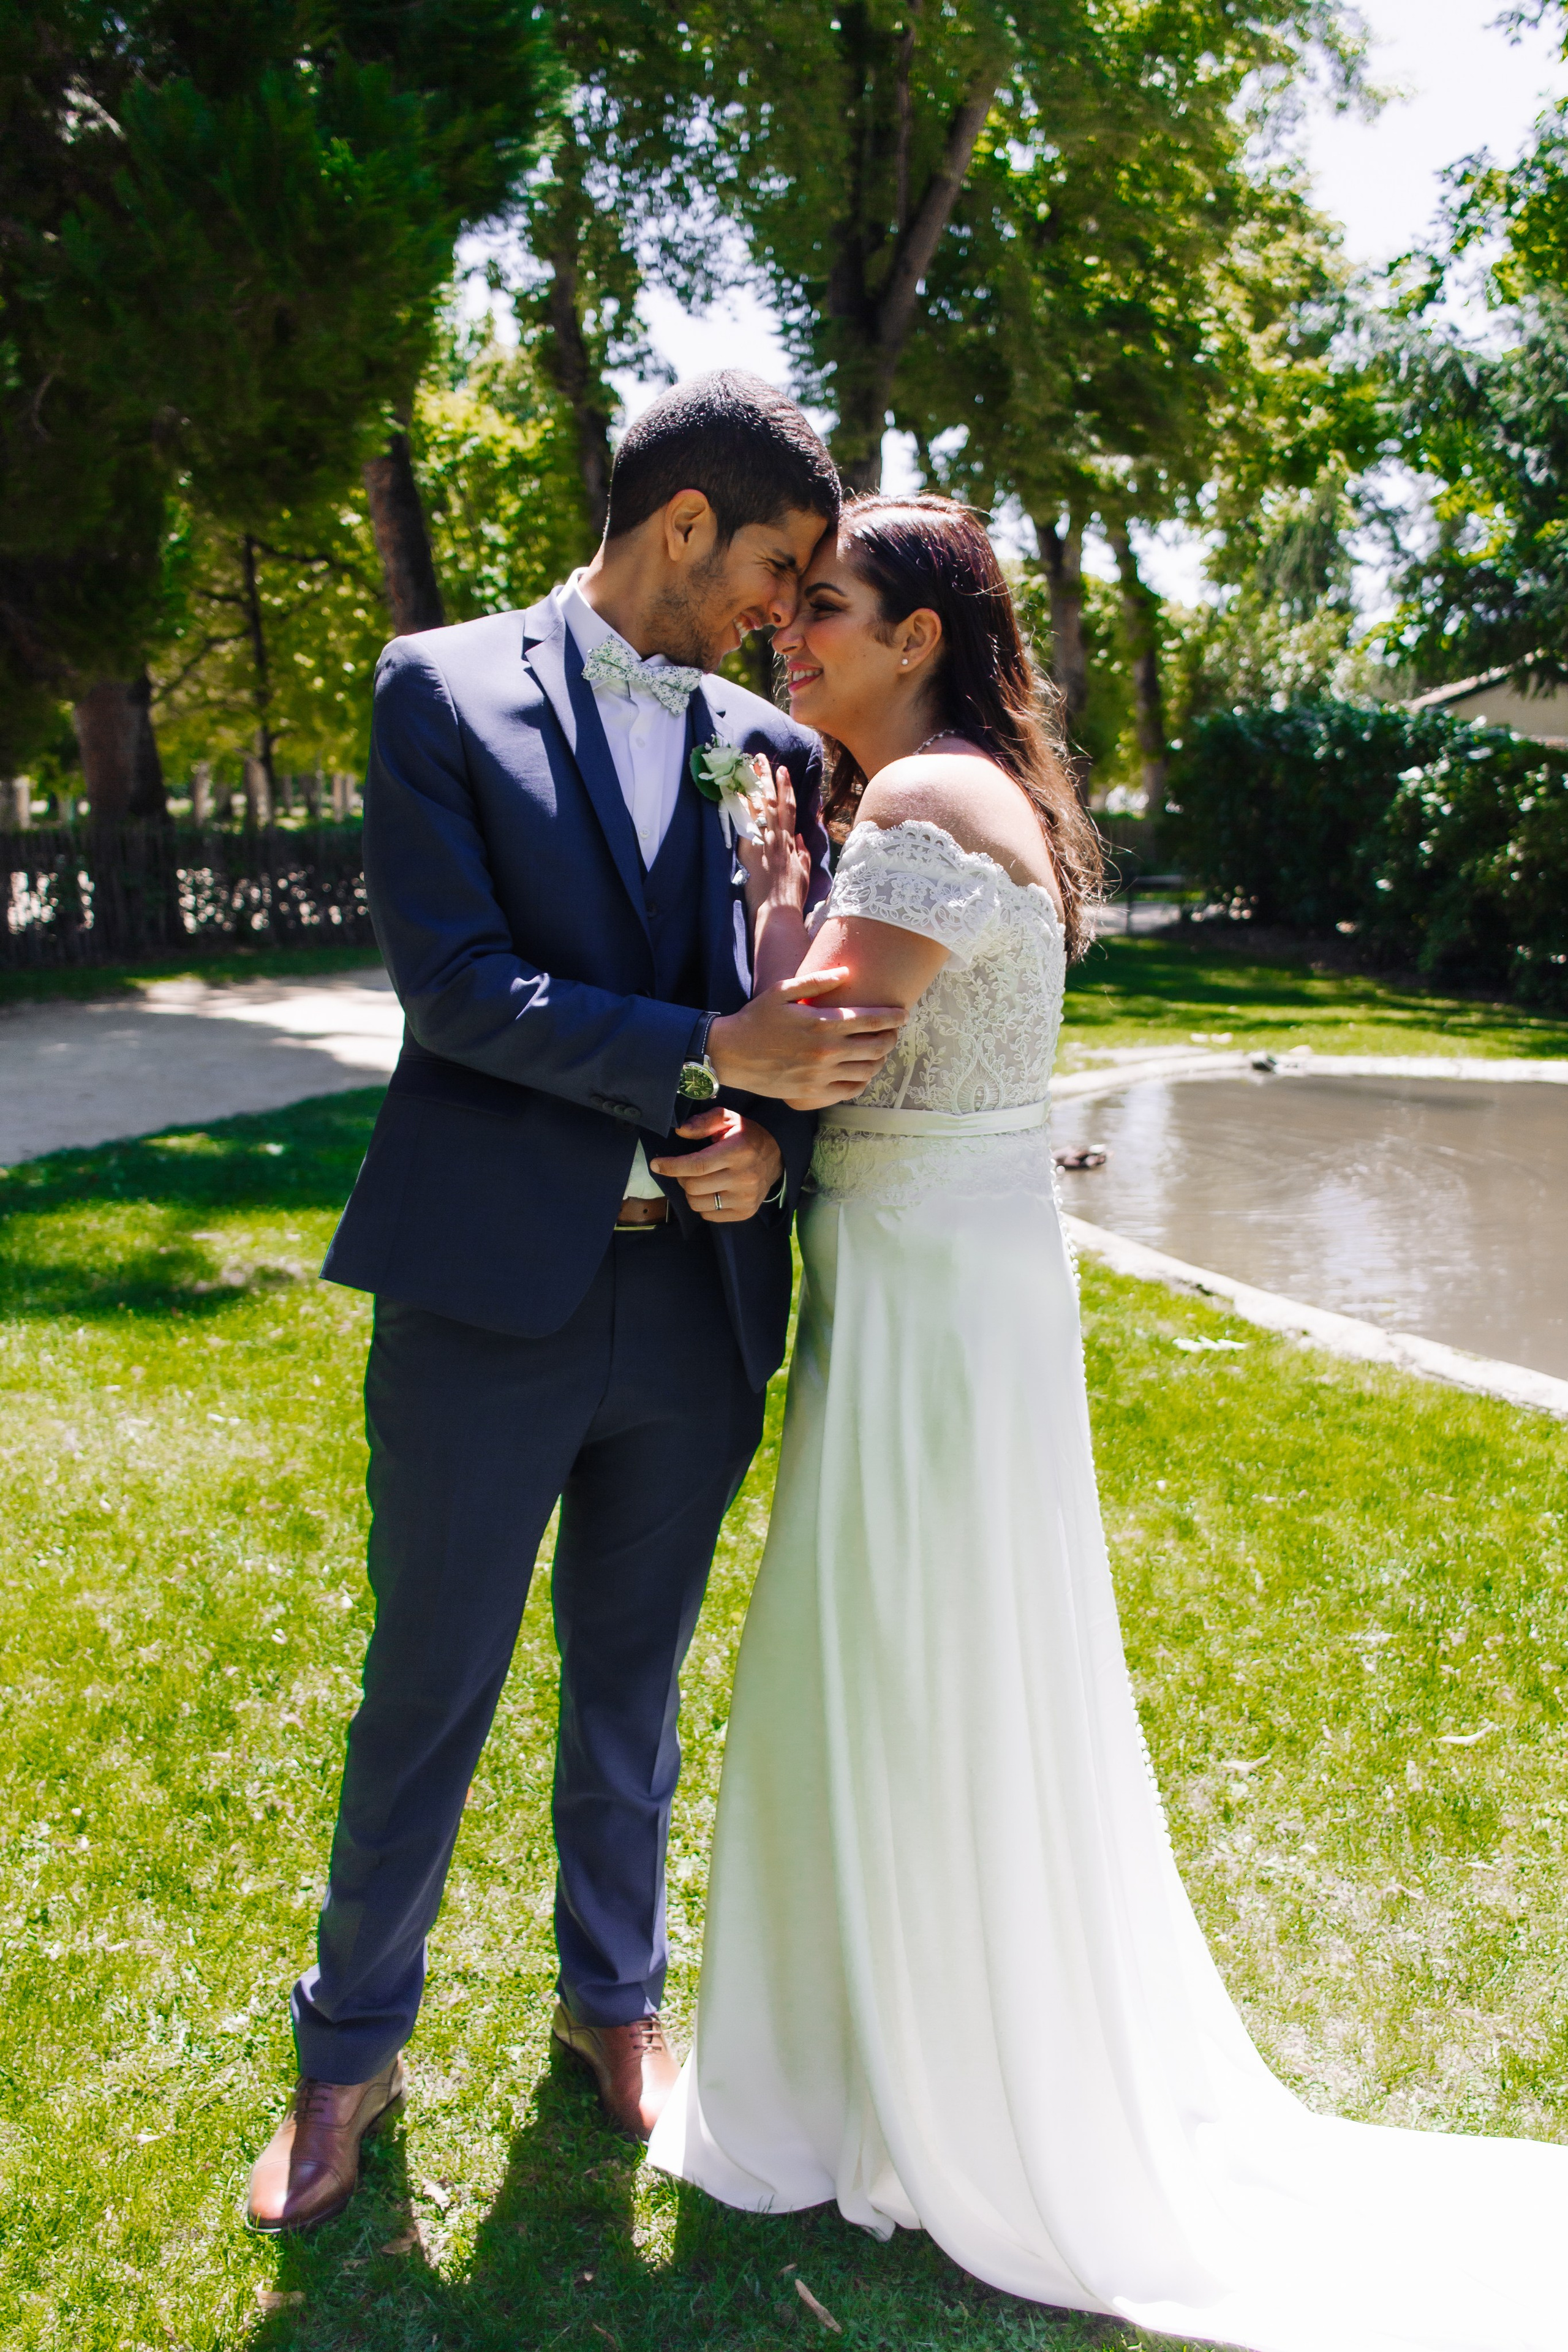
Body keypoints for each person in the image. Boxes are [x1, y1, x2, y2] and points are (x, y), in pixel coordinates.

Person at [649, 496, 1568, 2351]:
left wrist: (754, 913)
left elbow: (815, 1043)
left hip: (927, 1290)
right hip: (945, 1269)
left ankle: (922, 2086)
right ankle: (896, 2046)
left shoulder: (916, 808)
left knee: (911, 1659)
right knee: (925, 1654)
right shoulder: (968, 792)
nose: (788, 637)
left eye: (823, 609)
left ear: (918, 639)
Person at [246, 373, 908, 2235]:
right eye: (773, 568)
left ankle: (609, 2012)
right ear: (682, 525)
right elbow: (455, 988)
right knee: (428, 1686)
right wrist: (709, 1046)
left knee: (633, 1691)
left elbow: (781, 1018)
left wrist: (754, 1151)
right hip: (485, 1303)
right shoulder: (435, 687)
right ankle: (347, 2050)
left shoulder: (765, 750)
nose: (786, 615)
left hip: (691, 1308)